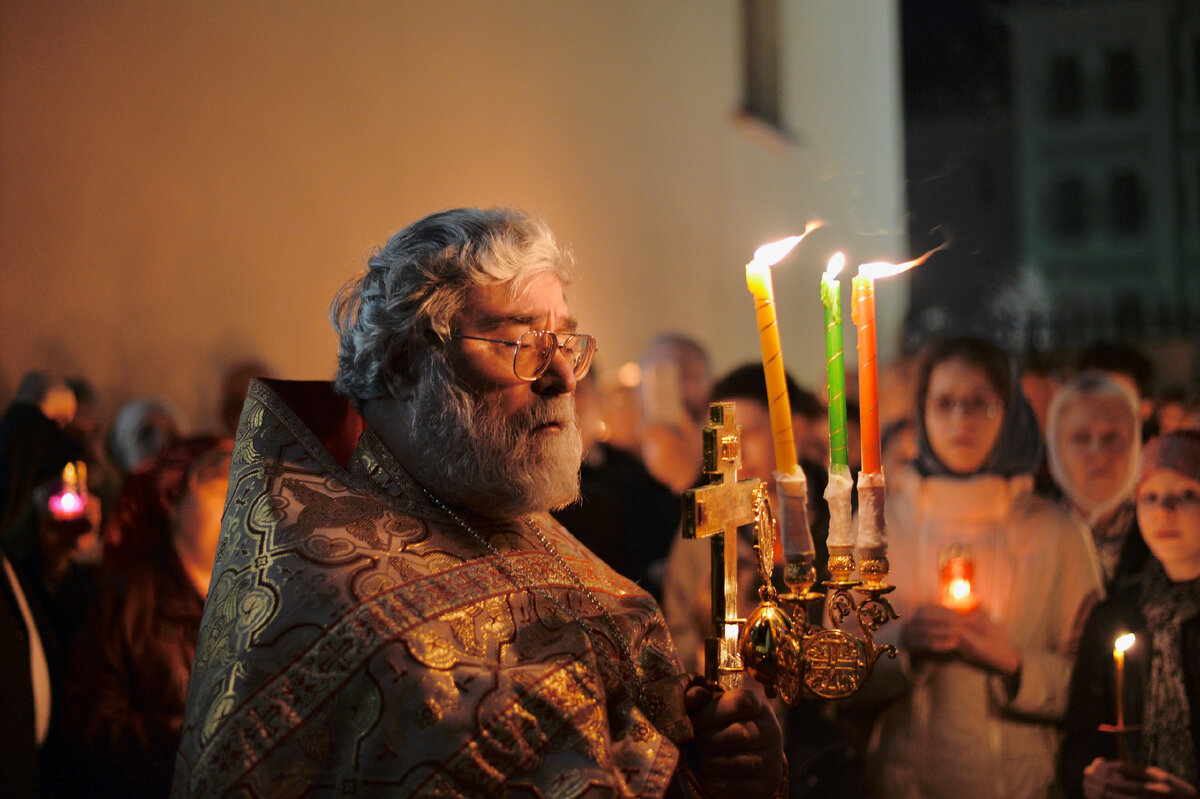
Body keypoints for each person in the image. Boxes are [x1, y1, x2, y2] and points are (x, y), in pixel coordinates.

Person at [171, 207, 783, 798]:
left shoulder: (491, 500)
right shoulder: (329, 581)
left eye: (565, 342)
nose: (562, 377)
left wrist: (719, 751)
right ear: (407, 363)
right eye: (522, 343)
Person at [864, 336, 1103, 799]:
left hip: (1022, 785)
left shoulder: (1055, 532)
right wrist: (903, 646)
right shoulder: (882, 526)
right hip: (903, 782)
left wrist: (1016, 666)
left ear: (1008, 412)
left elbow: (1095, 680)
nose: (960, 421)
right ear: (921, 411)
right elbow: (836, 672)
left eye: (979, 404)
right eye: (944, 403)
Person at [64, 436, 231, 798]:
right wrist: (193, 747)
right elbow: (91, 727)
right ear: (172, 498)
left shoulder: (265, 599)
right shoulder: (125, 600)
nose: (239, 507)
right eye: (221, 490)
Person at [1060, 430, 1200, 798]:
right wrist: (1092, 777)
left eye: (1187, 495)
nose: (1164, 511)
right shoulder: (1115, 616)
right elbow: (1079, 740)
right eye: (1150, 497)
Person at [1046, 371, 1150, 591]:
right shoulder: (1031, 536)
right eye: (1081, 438)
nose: (1099, 455)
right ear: (1056, 448)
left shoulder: (1162, 537)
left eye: (1112, 438)